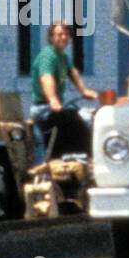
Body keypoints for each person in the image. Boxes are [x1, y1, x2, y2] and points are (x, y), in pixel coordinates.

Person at [30, 21, 98, 158]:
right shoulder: (48, 56)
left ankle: (84, 159)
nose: (64, 37)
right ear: (51, 37)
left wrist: (84, 90)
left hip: (56, 109)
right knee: (77, 121)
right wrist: (53, 100)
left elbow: (72, 72)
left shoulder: (63, 57)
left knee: (86, 117)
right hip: (44, 109)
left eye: (66, 34)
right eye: (59, 34)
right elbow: (46, 77)